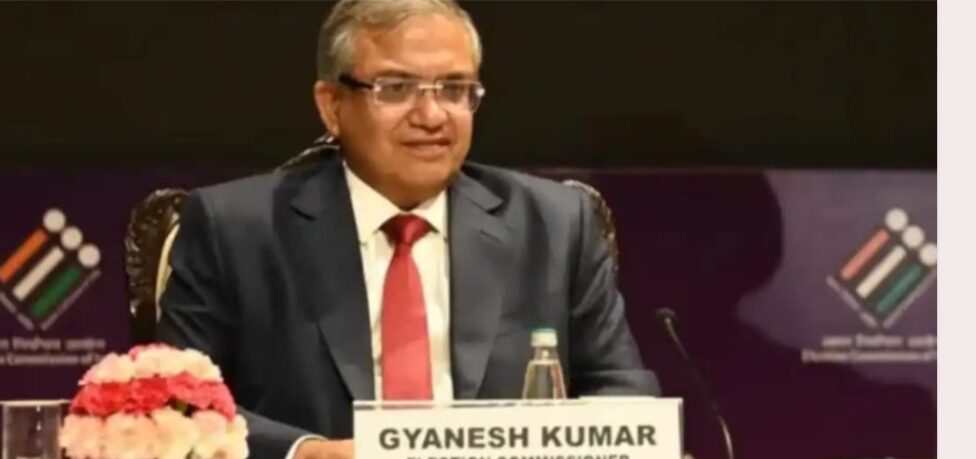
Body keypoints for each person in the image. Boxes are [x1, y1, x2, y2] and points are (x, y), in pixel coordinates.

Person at [157, 1, 659, 458]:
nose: (432, 116)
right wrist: (307, 453)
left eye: (454, 89)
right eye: (396, 89)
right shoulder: (236, 229)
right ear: (332, 105)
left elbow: (623, 393)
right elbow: (177, 404)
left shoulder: (555, 224)